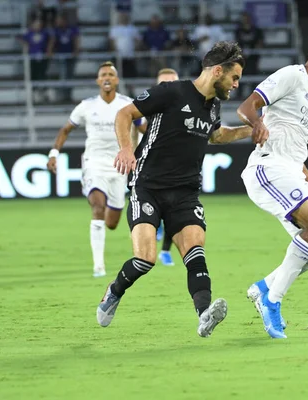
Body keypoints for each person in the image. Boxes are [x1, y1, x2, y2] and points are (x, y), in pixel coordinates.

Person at [96, 42, 252, 338]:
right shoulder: (171, 92)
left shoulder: (214, 105)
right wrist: (127, 149)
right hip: (148, 186)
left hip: (185, 192)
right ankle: (114, 292)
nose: (236, 84)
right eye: (234, 77)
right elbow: (124, 114)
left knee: (195, 252)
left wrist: (251, 131)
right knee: (145, 259)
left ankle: (204, 314)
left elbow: (216, 135)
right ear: (217, 71)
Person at [237, 34, 308, 339]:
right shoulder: (292, 75)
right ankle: (273, 301)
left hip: (292, 171)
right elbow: (248, 106)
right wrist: (257, 124)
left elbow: (294, 150)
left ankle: (264, 288)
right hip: (267, 168)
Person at [47, 61, 144, 278]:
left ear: (117, 80)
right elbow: (65, 130)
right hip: (93, 164)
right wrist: (54, 153)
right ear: (98, 80)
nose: (107, 77)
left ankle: (106, 215)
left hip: (119, 167)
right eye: (103, 75)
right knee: (98, 207)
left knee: (111, 223)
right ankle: (98, 266)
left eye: (111, 74)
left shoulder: (128, 104)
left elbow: (143, 127)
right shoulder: (86, 106)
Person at [130, 68, 180, 267]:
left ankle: (166, 251)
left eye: (172, 82)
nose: (168, 86)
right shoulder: (148, 104)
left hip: (178, 165)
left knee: (176, 211)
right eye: (163, 83)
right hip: (151, 166)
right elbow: (138, 123)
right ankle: (154, 230)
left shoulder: (188, 105)